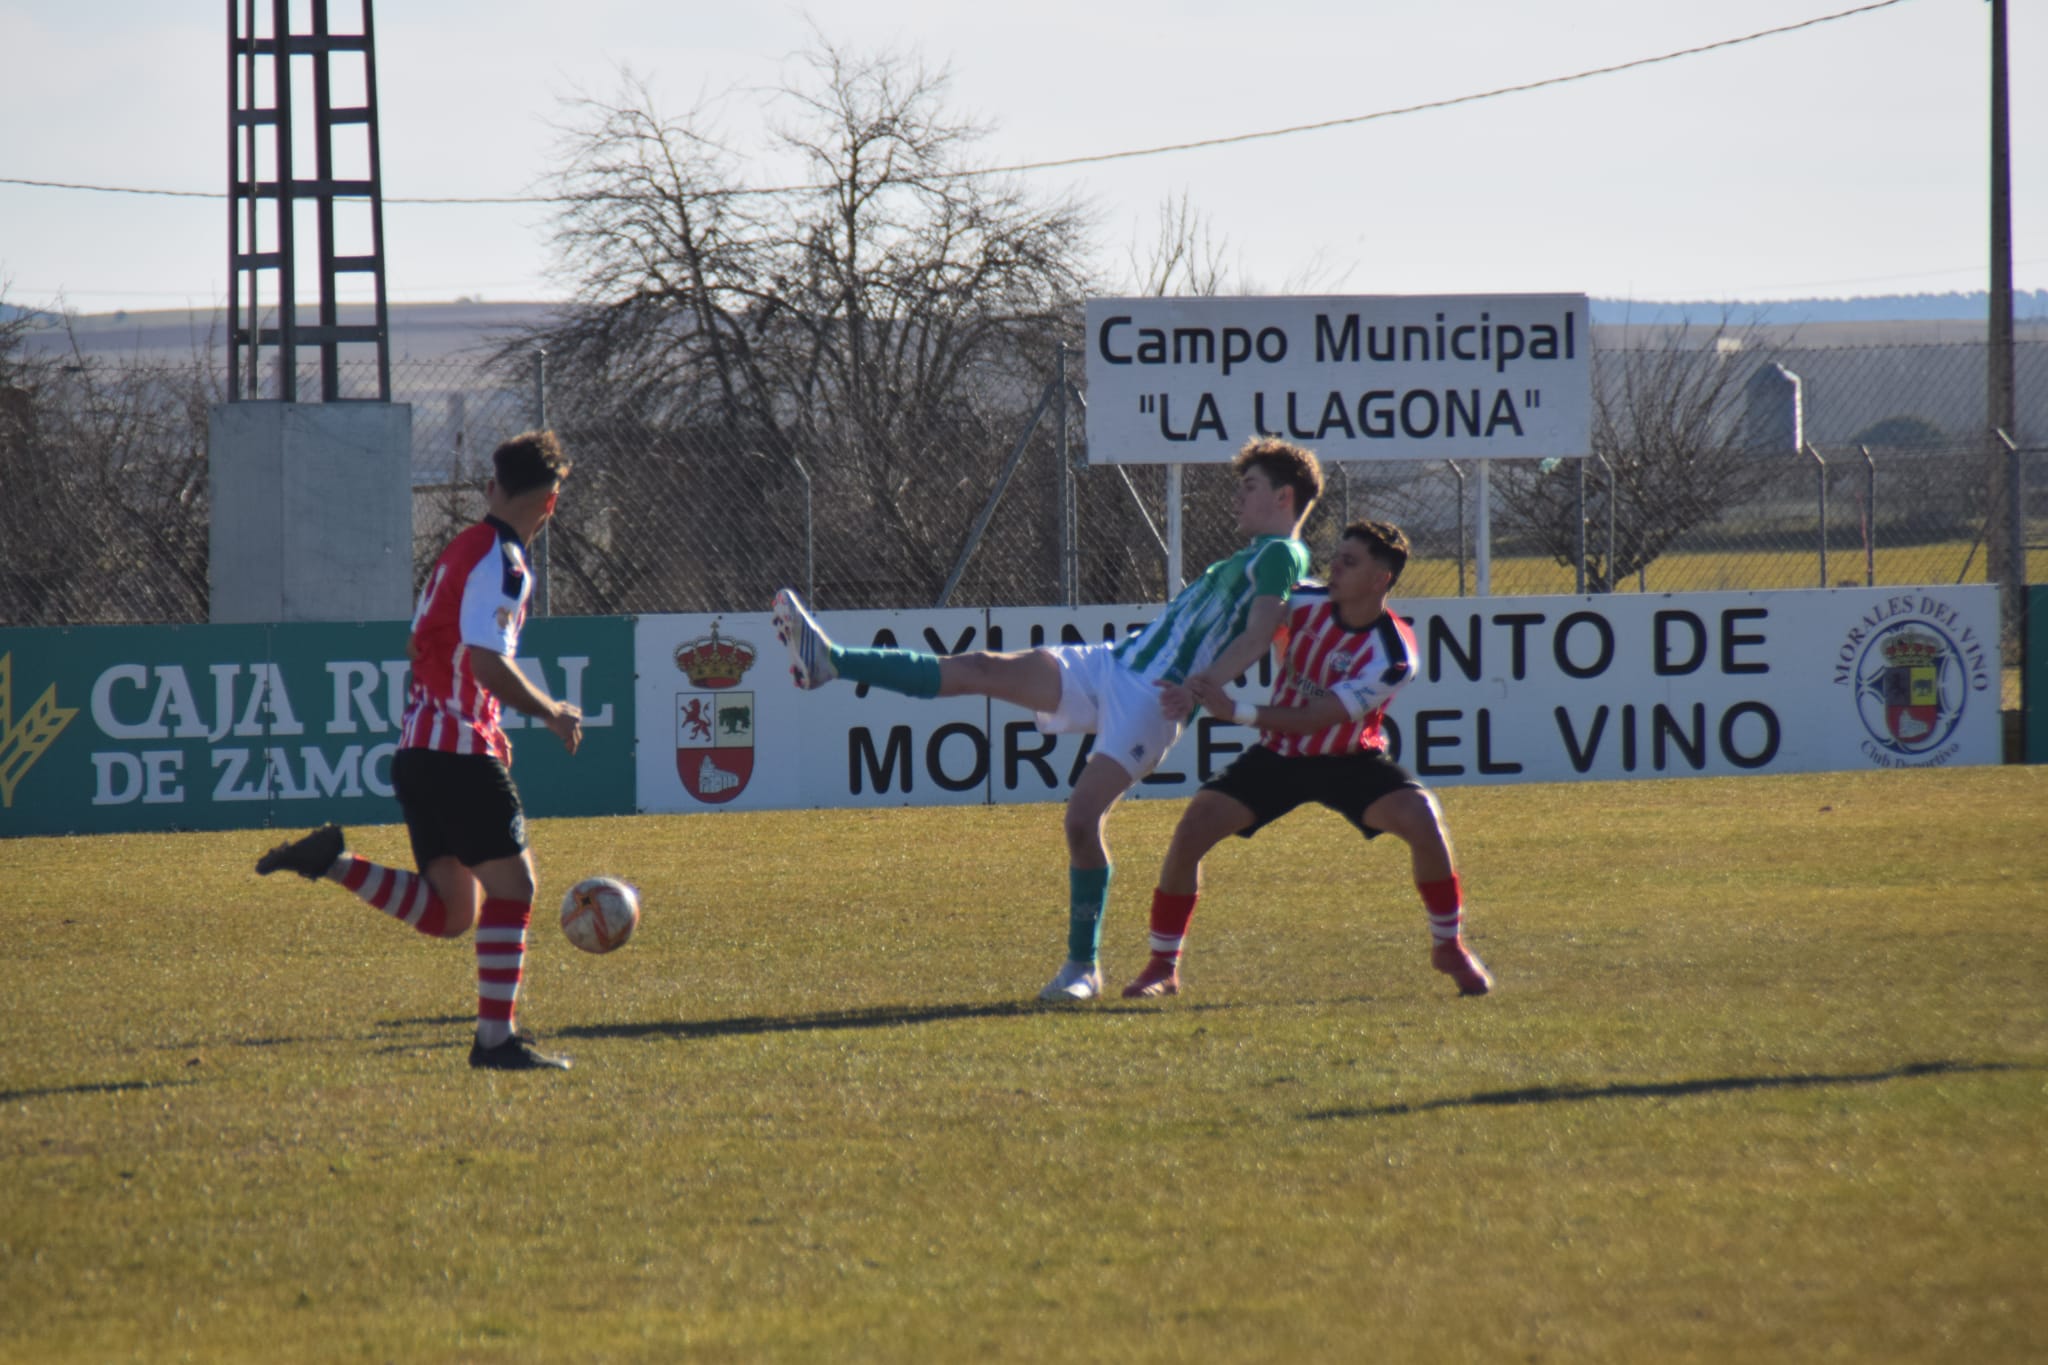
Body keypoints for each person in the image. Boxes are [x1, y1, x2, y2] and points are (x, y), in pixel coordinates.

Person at [771, 436, 1323, 1003]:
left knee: (1082, 821)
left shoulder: (1281, 555)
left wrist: (1195, 689)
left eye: (1249, 487)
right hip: (1113, 661)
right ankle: (830, 663)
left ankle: (1082, 969)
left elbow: (1259, 636)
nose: (1237, 498)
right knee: (981, 667)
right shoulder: (1255, 555)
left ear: (1284, 497)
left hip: (1150, 700)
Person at [255, 430, 585, 1071]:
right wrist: (551, 712)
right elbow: (487, 665)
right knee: (515, 889)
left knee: (454, 912)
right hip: (461, 752)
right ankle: (495, 1042)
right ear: (550, 504)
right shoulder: (505, 563)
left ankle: (335, 862)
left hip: (418, 750)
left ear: (494, 489)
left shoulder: (459, 549)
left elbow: (417, 646)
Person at [1122, 518, 1494, 1001]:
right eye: (1334, 557)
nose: (1333, 568)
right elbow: (1247, 627)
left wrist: (1234, 710)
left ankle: (1449, 945)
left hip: (1349, 760)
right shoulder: (1302, 601)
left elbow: (1317, 717)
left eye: (1349, 562)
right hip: (1278, 756)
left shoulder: (1393, 652)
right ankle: (1161, 967)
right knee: (1192, 828)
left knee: (1424, 819)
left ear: (1381, 579)